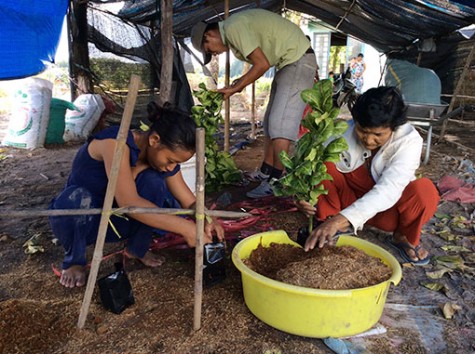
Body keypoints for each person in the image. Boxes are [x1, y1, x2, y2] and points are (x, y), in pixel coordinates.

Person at [49, 102, 224, 288]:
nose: (171, 168)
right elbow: (128, 202)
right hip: (83, 218)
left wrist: (207, 218)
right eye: (171, 161)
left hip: (116, 222)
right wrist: (187, 229)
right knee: (77, 197)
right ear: (154, 140)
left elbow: (189, 200)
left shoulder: (158, 157)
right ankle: (74, 260)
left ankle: (136, 249)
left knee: (154, 182)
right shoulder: (114, 143)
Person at [296, 86, 440, 265]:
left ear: (394, 127)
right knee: (323, 162)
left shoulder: (410, 141)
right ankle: (327, 220)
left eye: (378, 134)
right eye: (363, 131)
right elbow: (308, 168)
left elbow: (389, 189)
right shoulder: (341, 132)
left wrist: (343, 219)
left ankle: (402, 237)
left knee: (425, 191)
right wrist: (303, 197)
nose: (369, 140)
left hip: (387, 213)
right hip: (346, 202)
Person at [191, 9, 318, 199]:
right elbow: (262, 61)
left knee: (280, 123)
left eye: (209, 49)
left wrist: (237, 87)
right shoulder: (233, 32)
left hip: (298, 61)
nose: (214, 54)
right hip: (289, 63)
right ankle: (266, 171)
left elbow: (262, 64)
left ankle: (277, 180)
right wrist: (237, 83)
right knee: (270, 122)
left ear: (209, 35)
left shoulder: (232, 27)